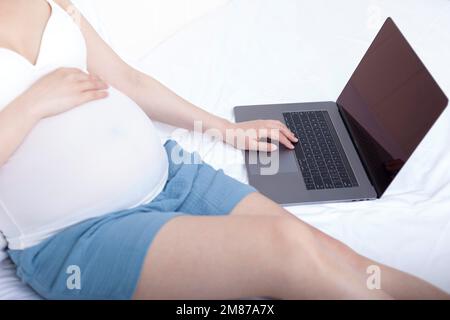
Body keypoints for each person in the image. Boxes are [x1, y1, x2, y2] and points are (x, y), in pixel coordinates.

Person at [0, 0, 447, 300]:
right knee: (285, 248)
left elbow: (128, 80)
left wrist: (224, 129)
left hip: (173, 178)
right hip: (78, 235)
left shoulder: (54, 4)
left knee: (339, 257)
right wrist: (32, 104)